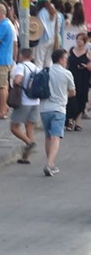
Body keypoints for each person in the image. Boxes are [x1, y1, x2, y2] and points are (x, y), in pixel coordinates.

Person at [40, 49, 76, 177]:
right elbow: (72, 92)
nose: (66, 61)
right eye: (65, 58)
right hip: (59, 109)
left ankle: (51, 163)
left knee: (48, 136)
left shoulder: (45, 71)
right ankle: (50, 164)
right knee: (56, 137)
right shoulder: (67, 74)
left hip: (44, 109)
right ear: (61, 59)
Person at [10, 48, 40, 165]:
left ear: (21, 56)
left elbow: (18, 80)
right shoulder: (36, 68)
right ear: (31, 56)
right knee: (29, 128)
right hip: (35, 101)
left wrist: (14, 82)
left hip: (25, 100)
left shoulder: (21, 66)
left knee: (14, 127)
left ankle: (29, 143)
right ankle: (26, 157)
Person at [0, 3, 15, 120]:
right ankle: (2, 108)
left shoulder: (4, 26)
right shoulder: (4, 24)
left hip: (1, 59)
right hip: (2, 59)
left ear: (1, 12)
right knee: (1, 85)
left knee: (1, 86)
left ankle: (2, 110)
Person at [65, 33, 91, 131]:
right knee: (71, 99)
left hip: (83, 78)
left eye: (81, 39)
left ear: (85, 41)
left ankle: (78, 122)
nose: (78, 41)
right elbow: (66, 62)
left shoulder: (88, 52)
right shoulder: (71, 50)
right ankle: (70, 120)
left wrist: (87, 66)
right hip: (72, 77)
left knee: (82, 99)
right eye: (77, 39)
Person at [35, 0, 65, 69]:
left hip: (43, 38)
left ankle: (40, 78)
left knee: (39, 61)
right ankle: (48, 77)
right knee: (49, 61)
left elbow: (40, 26)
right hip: (53, 39)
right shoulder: (56, 13)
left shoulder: (42, 12)